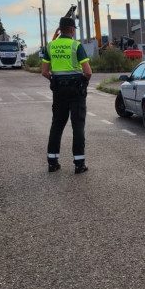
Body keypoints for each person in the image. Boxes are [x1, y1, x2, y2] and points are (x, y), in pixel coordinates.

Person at [42, 17, 93, 174]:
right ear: (71, 30)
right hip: (76, 91)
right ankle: (79, 164)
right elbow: (88, 71)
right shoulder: (76, 46)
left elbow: (44, 71)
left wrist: (54, 80)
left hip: (59, 91)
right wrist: (83, 83)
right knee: (77, 126)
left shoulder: (50, 46)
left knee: (57, 125)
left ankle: (52, 162)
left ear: (60, 29)